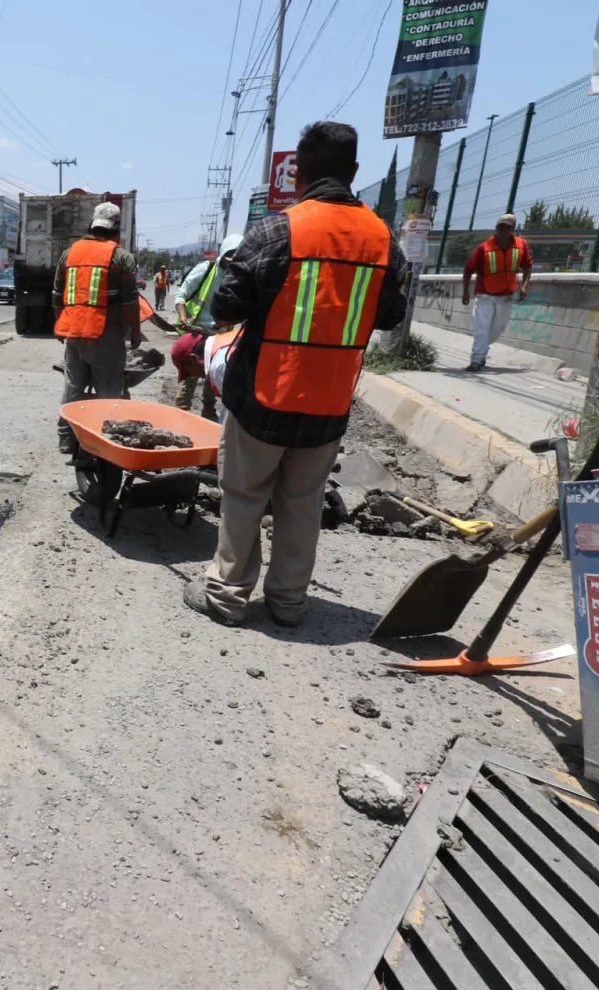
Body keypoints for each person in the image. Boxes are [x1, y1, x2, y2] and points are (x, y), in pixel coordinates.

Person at [181, 120, 407, 627]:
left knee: (243, 495)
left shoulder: (279, 228)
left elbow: (227, 304)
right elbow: (391, 315)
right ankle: (287, 603)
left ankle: (227, 596)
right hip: (329, 400)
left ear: (298, 173)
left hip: (264, 392)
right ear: (353, 172)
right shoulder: (382, 239)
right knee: (302, 503)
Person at [54, 202, 140, 454]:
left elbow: (57, 295)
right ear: (116, 229)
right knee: (109, 392)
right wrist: (135, 332)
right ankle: (105, 442)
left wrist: (61, 325)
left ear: (92, 225)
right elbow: (130, 302)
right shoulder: (122, 257)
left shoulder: (69, 253)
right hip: (107, 336)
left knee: (73, 386)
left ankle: (66, 437)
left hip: (75, 336)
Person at [173, 232, 243, 419]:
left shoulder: (240, 275)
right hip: (197, 334)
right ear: (223, 255)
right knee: (190, 376)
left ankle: (208, 414)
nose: (232, 263)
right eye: (229, 258)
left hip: (220, 338)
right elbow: (181, 295)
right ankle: (181, 413)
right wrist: (183, 316)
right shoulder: (206, 269)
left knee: (212, 380)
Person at [461, 212, 532, 370]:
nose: (503, 231)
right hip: (485, 295)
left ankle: (483, 350)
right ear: (496, 228)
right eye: (501, 227)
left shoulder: (521, 246)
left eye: (507, 228)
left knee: (497, 329)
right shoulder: (484, 248)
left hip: (506, 296)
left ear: (513, 229)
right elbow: (468, 269)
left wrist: (525, 285)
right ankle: (476, 360)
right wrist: (465, 291)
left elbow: (527, 266)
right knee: (482, 329)